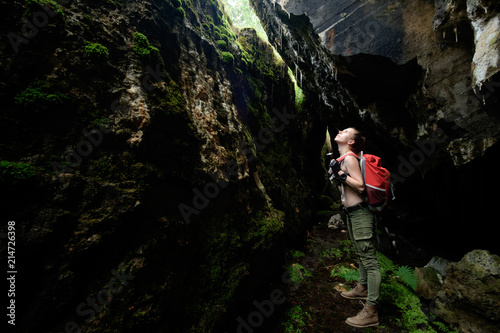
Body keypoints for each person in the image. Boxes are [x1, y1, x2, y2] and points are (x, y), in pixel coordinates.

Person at [329, 127, 381, 328]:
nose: (340, 131)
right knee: (361, 253)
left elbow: (359, 186)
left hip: (361, 213)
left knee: (369, 259)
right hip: (353, 213)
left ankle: (371, 310)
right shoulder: (343, 159)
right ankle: (362, 287)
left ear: (351, 142)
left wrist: (340, 174)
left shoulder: (349, 158)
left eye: (346, 131)